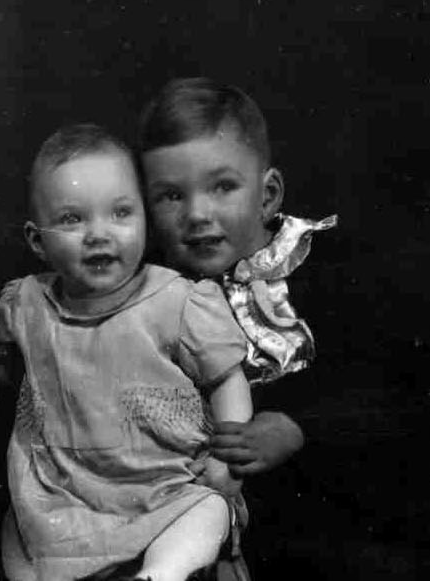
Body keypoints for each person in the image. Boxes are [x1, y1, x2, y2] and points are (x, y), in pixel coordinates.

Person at [0, 123, 252, 580]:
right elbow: (1, 359)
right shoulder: (26, 303)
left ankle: (159, 574)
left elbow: (228, 380)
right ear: (37, 241)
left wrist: (227, 460)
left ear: (144, 221)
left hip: (165, 489)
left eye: (120, 213)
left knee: (207, 510)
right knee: (18, 531)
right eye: (72, 219)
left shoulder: (176, 302)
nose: (99, 234)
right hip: (64, 492)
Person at [135, 78, 336, 571]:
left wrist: (295, 426)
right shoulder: (151, 290)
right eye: (171, 196)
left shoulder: (323, 273)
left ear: (267, 195)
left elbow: (368, 384)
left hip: (302, 518)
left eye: (222, 187)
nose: (197, 214)